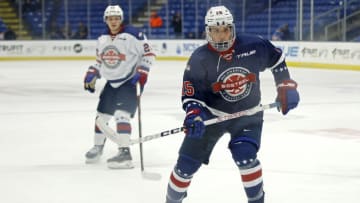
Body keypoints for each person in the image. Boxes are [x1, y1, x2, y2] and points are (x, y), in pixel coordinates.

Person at [165, 5, 299, 203]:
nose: (221, 35)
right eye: (215, 31)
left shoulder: (253, 45)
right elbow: (191, 95)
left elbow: (277, 59)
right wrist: (194, 115)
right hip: (211, 115)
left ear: (232, 28)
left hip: (248, 114)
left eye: (225, 29)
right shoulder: (199, 58)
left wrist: (285, 85)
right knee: (185, 165)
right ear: (208, 31)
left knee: (245, 156)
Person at [83, 5, 155, 169]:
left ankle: (124, 152)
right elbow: (101, 61)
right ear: (106, 20)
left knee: (122, 115)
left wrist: (143, 70)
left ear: (121, 19)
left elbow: (149, 54)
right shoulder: (102, 38)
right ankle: (98, 147)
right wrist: (93, 71)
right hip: (112, 83)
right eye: (110, 18)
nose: (113, 21)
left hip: (130, 82)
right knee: (101, 117)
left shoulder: (133, 34)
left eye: (116, 18)